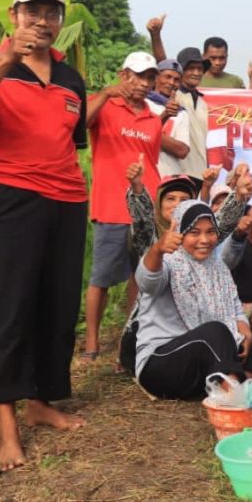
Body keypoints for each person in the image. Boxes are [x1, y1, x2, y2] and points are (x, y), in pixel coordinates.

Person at [0, 0, 88, 470]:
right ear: (14, 14)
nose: (43, 21)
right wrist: (7, 58)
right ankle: (7, 423)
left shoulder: (71, 78)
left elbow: (71, 144)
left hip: (66, 201)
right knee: (10, 308)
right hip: (7, 199)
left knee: (56, 305)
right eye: (34, 12)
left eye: (52, 13)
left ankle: (41, 403)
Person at [82, 51, 165, 363]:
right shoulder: (103, 106)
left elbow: (153, 163)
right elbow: (78, 125)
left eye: (149, 77)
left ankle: (128, 341)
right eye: (139, 76)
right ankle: (91, 344)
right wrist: (105, 94)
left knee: (139, 276)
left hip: (147, 210)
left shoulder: (153, 120)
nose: (144, 83)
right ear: (123, 74)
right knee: (101, 277)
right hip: (111, 206)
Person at [132, 200, 252, 399]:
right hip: (161, 365)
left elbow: (235, 308)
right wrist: (157, 250)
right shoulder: (168, 262)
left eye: (210, 231)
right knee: (216, 331)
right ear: (179, 233)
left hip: (201, 364)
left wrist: (244, 327)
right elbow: (147, 282)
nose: (204, 239)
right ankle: (236, 396)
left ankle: (228, 381)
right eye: (194, 232)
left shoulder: (218, 267)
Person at [171, 47, 212, 177]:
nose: (196, 73)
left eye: (200, 69)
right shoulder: (174, 96)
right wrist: (155, 35)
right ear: (181, 71)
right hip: (178, 171)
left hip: (201, 173)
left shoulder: (203, 103)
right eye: (191, 68)